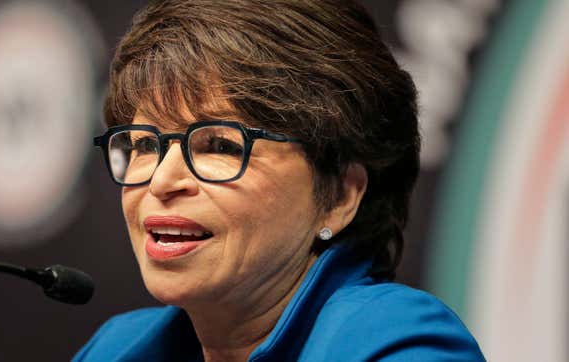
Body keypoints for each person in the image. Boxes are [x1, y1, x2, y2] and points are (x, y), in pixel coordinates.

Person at [75, 0, 485, 361]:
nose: (162, 181)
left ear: (340, 195)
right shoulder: (118, 348)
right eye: (146, 145)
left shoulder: (396, 343)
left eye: (218, 146)